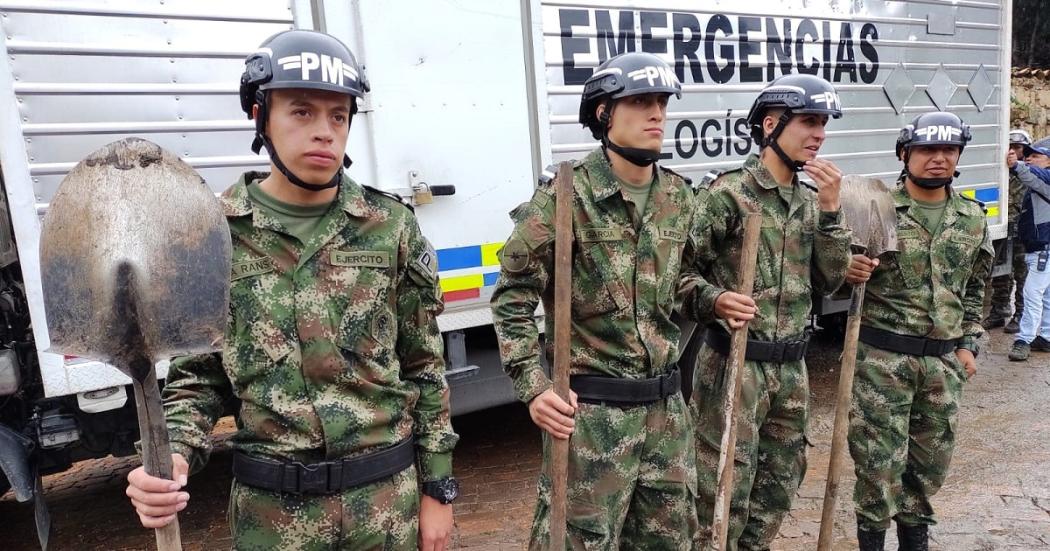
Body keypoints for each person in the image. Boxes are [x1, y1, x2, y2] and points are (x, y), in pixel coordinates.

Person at [123, 30, 459, 550]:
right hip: (274, 518)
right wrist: (174, 455)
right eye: (301, 112)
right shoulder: (211, 235)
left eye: (338, 116)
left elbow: (423, 365)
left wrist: (438, 489)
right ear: (261, 118)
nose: (325, 132)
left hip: (386, 508)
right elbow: (199, 378)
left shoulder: (389, 225)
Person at [490, 52, 701, 550]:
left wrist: (716, 299)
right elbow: (512, 299)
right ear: (604, 114)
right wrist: (535, 386)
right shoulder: (565, 198)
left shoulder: (680, 197)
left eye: (661, 102)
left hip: (668, 417)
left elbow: (684, 282)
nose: (657, 114)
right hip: (593, 421)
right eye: (640, 102)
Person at [686, 74, 851, 550]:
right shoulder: (728, 195)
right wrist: (714, 299)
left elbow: (830, 280)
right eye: (808, 122)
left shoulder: (809, 200)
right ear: (771, 125)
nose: (818, 133)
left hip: (791, 369)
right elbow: (676, 275)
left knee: (778, 484)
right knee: (721, 489)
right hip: (734, 364)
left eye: (823, 123)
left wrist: (831, 210)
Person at [845, 112, 992, 551]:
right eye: (928, 150)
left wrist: (968, 345)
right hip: (882, 364)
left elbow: (973, 288)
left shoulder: (970, 217)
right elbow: (833, 276)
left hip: (943, 365)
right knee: (877, 468)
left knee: (927, 470)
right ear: (905, 155)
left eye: (948, 150)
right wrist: (846, 270)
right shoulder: (877, 208)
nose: (938, 159)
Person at [983, 129, 1032, 333]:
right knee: (1000, 272)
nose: (1012, 151)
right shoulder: (998, 171)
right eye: (1009, 146)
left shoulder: (1029, 170)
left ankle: (1020, 314)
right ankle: (999, 311)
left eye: (1017, 147)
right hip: (1003, 229)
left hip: (1022, 231)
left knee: (1023, 275)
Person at [1007, 141, 1050, 361]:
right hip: (1044, 248)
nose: (1030, 159)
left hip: (1043, 249)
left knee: (1032, 293)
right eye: (1028, 156)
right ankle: (1045, 337)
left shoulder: (1045, 179)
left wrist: (1016, 166)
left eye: (1036, 157)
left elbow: (1030, 175)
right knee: (1047, 295)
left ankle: (1023, 339)